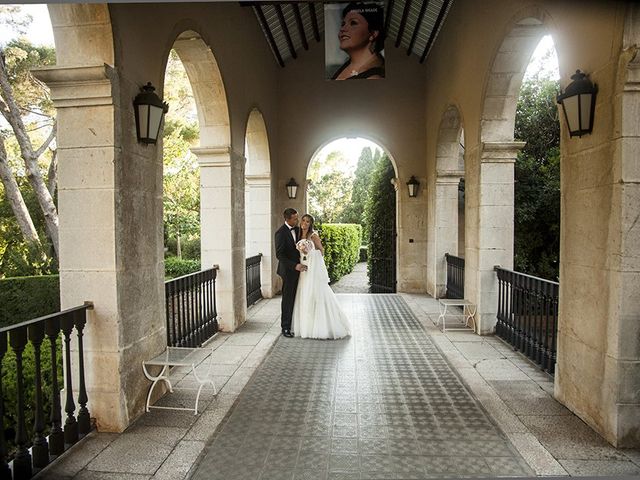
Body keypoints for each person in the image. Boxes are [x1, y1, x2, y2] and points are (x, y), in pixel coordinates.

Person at [292, 214, 351, 339]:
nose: (305, 223)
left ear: (311, 223)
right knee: (304, 293)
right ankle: (306, 327)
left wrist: (309, 252)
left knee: (315, 293)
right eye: (303, 220)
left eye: (308, 221)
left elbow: (321, 251)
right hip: (303, 267)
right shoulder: (298, 234)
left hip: (312, 268)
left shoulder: (313, 235)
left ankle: (321, 327)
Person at [275, 208, 307, 338]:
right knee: (288, 300)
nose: (297, 220)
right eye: (295, 218)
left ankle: (297, 324)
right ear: (287, 219)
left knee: (298, 297)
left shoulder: (299, 230)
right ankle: (286, 327)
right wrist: (295, 266)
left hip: (301, 270)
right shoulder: (280, 233)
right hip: (288, 271)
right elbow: (280, 255)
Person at [331, 2, 385, 80]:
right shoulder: (350, 64)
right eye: (343, 24)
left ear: (373, 34)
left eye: (353, 23)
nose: (342, 29)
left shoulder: (374, 77)